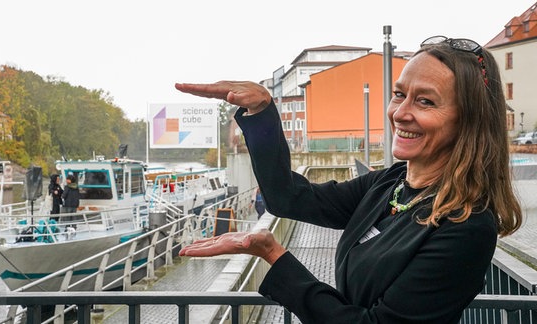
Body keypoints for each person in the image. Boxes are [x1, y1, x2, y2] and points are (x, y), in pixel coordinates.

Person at [176, 35, 523, 323]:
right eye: (400, 94)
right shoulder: (390, 184)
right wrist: (263, 112)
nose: (400, 113)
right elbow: (289, 197)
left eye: (426, 102)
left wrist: (273, 254)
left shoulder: (466, 227)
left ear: (468, 121)